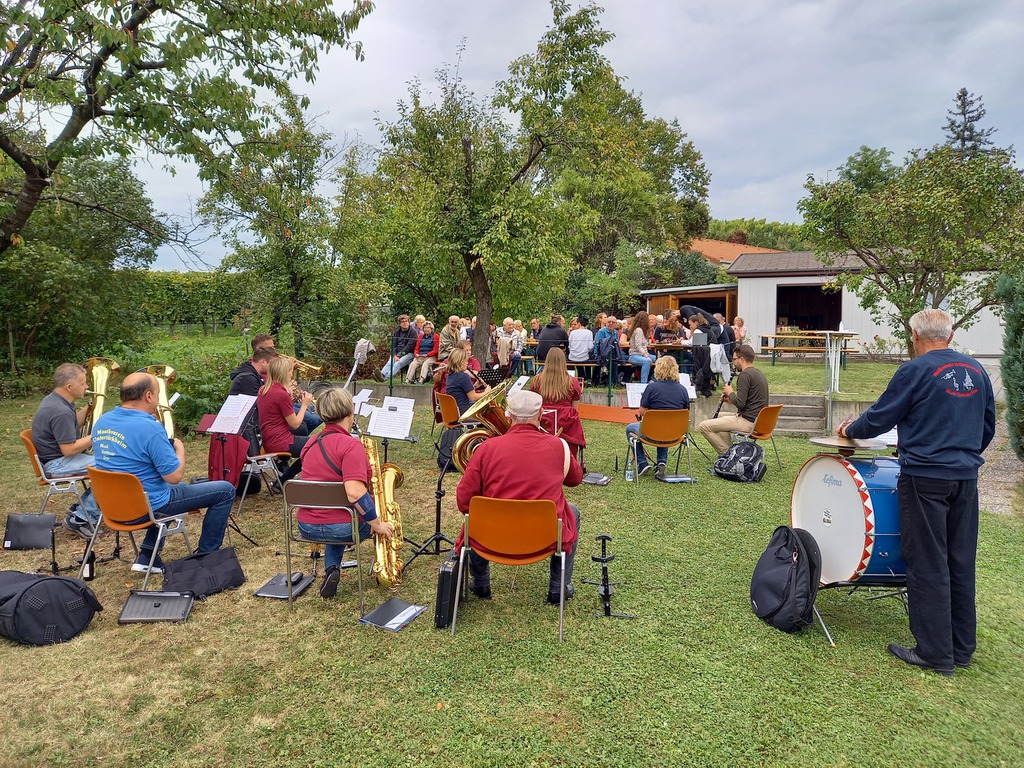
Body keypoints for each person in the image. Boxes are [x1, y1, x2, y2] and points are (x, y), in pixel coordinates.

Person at [836, 309, 995, 676]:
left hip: (925, 477)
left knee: (927, 561)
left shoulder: (914, 371)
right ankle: (961, 648)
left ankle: (935, 653)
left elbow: (880, 417)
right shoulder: (977, 370)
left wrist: (850, 430)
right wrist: (962, 456)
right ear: (950, 336)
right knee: (960, 560)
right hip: (965, 478)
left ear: (915, 336)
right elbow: (988, 425)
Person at [93, 372, 233, 572]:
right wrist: (179, 449)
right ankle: (207, 556)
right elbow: (173, 476)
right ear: (149, 396)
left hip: (113, 506)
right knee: (225, 490)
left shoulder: (103, 421)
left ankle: (147, 555)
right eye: (158, 394)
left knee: (170, 489)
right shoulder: (150, 428)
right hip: (146, 508)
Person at [455, 389, 583, 604]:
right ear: (541, 413)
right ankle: (558, 587)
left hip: (491, 537)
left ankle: (480, 583)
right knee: (573, 512)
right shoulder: (558, 446)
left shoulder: (486, 448)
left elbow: (464, 500)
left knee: (474, 517)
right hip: (545, 537)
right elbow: (575, 479)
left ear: (508, 416)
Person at [295, 387, 395, 598]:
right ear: (351, 412)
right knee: (368, 516)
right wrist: (377, 524)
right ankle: (385, 566)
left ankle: (332, 569)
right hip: (342, 528)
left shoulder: (310, 443)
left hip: (306, 526)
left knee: (338, 515)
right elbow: (355, 493)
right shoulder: (350, 445)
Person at [31, 363, 101, 536]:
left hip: (55, 459)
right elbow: (69, 450)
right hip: (57, 463)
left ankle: (81, 508)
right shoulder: (60, 410)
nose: (87, 386)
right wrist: (99, 434)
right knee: (113, 465)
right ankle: (82, 517)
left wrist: (89, 408)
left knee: (111, 462)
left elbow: (71, 424)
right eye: (83, 383)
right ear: (69, 387)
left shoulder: (55, 400)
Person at [626, 356, 690, 476]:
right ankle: (661, 461)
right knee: (666, 425)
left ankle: (642, 463)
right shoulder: (683, 390)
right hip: (675, 434)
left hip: (652, 432)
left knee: (630, 428)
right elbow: (686, 412)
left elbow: (642, 411)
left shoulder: (652, 387)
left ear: (658, 369)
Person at [698, 344, 768, 454]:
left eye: (734, 359)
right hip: (757, 420)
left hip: (748, 422)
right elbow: (747, 401)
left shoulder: (745, 375)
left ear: (742, 359)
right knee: (720, 416)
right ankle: (729, 449)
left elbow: (740, 403)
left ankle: (727, 454)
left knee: (704, 426)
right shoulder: (758, 373)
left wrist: (730, 392)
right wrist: (730, 399)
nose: (733, 362)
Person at [257, 356, 316, 481]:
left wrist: (290, 395)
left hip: (268, 438)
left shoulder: (263, 389)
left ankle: (283, 480)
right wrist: (304, 404)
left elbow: (277, 411)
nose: (291, 374)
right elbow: (295, 424)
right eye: (290, 371)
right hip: (281, 441)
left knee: (310, 440)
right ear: (284, 373)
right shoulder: (280, 394)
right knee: (318, 445)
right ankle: (285, 480)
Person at [529, 348, 586, 462]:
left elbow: (533, 405)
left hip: (543, 422)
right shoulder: (573, 382)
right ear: (563, 361)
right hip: (566, 425)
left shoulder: (536, 380)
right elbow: (574, 410)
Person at [445, 347, 491, 415]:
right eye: (466, 360)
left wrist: (474, 387)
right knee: (490, 410)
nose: (467, 363)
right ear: (459, 361)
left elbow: (459, 393)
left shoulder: (451, 376)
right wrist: (486, 392)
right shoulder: (463, 376)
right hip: (464, 413)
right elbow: (473, 397)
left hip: (453, 412)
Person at [377, 314, 419, 382]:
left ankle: (384, 378)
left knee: (398, 363)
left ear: (409, 322)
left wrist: (399, 355)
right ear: (400, 324)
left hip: (409, 353)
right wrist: (394, 355)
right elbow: (393, 345)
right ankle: (381, 375)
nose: (405, 323)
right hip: (397, 353)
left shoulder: (413, 332)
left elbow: (409, 347)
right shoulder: (397, 331)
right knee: (390, 363)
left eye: (406, 321)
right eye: (403, 322)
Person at [626, 311, 657, 383]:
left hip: (644, 354)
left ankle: (653, 379)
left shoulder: (644, 331)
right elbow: (638, 345)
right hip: (634, 355)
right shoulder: (638, 330)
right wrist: (645, 355)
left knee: (660, 360)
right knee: (647, 361)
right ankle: (643, 383)